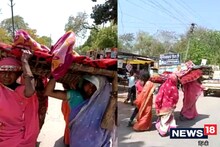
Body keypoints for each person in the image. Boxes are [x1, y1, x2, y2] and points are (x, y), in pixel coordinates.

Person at [44, 75, 115, 147]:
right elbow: (48, 92)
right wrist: (55, 75)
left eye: (94, 87)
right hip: (77, 141)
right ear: (83, 83)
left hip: (98, 143)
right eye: (89, 84)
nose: (90, 89)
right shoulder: (76, 96)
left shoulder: (103, 102)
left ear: (100, 90)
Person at [0, 51, 40, 146]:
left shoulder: (21, 90)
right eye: (2, 72)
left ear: (18, 74)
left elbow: (30, 90)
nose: (6, 76)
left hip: (19, 137)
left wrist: (25, 61)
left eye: (11, 73)